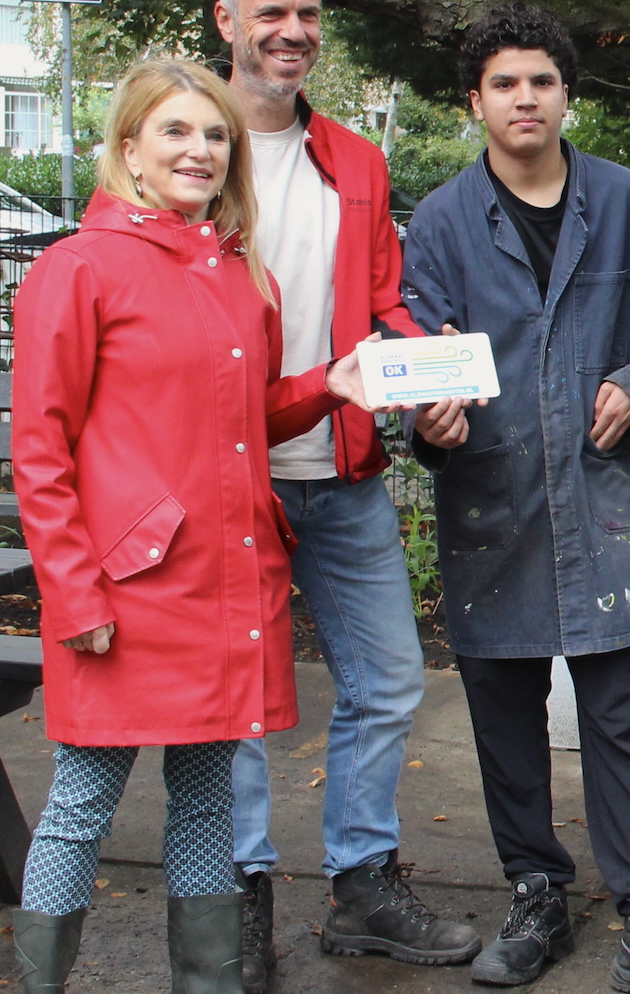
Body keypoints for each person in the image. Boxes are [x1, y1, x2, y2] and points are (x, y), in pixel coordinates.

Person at [401, 3, 630, 994]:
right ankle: (536, 898)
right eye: (505, 84)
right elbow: (419, 355)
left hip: (604, 503)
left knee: (621, 722)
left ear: (567, 94)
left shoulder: (623, 201)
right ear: (476, 102)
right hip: (492, 502)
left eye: (542, 82)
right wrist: (429, 419)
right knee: (507, 727)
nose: (525, 100)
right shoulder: (439, 223)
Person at [11, 58, 378, 994]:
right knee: (80, 807)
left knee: (208, 802)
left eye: (215, 135)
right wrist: (72, 592)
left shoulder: (238, 274)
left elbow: (242, 415)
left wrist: (322, 389)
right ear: (128, 147)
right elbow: (41, 453)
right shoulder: (76, 268)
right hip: (125, 592)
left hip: (223, 580)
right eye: (175, 132)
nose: (200, 150)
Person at [210, 0, 479, 986]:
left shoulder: (355, 161)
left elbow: (385, 308)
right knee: (237, 699)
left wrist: (431, 381)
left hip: (346, 471)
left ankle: (362, 884)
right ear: (228, 21)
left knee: (389, 679)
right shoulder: (187, 146)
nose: (292, 33)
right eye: (270, 13)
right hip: (232, 476)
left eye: (307, 14)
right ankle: (231, 893)